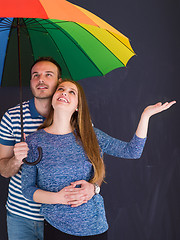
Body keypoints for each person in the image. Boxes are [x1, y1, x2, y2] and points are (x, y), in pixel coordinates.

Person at [21, 79, 176, 240]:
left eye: (71, 92)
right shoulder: (34, 141)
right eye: (60, 89)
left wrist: (145, 116)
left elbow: (132, 151)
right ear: (53, 99)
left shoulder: (91, 135)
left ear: (77, 107)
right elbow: (27, 189)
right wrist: (58, 198)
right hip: (57, 228)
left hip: (95, 227)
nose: (64, 93)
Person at [0, 58, 96, 240]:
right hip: (21, 218)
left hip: (64, 218)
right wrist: (15, 160)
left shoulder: (80, 122)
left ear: (60, 82)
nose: (41, 79)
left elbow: (95, 168)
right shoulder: (12, 117)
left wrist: (94, 188)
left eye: (48, 75)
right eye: (35, 75)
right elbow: (3, 170)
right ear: (30, 82)